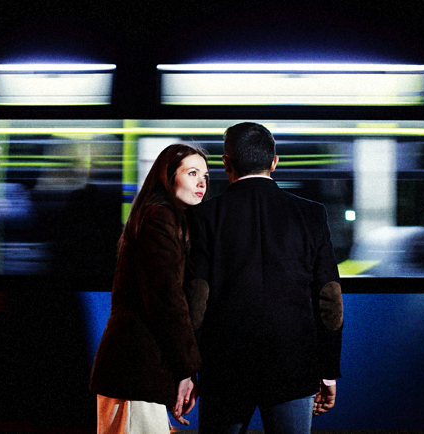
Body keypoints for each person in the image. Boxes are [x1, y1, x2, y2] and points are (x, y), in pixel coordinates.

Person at [187, 122, 344, 434]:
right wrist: (327, 371)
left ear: (226, 163)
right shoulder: (311, 214)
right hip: (293, 365)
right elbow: (329, 298)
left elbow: (196, 300)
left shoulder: (203, 216)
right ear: (274, 162)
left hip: (224, 368)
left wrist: (189, 368)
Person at [89, 143, 210, 433]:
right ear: (168, 176)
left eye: (205, 175)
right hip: (136, 368)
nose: (201, 182)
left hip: (137, 370)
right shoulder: (159, 217)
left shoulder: (162, 216)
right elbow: (167, 299)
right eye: (192, 173)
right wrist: (185, 369)